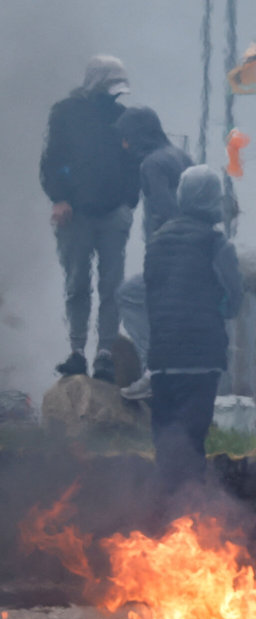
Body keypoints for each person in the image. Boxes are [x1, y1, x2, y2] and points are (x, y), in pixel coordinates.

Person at [40, 55, 140, 382]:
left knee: (111, 287)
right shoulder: (65, 113)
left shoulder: (123, 118)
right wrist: (60, 197)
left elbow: (131, 164)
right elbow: (52, 160)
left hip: (113, 214)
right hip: (76, 213)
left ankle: (106, 354)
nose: (114, 95)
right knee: (77, 283)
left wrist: (128, 203)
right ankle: (77, 351)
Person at [145, 165, 242, 492]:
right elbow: (234, 299)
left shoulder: (156, 240)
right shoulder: (216, 243)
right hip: (201, 359)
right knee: (191, 442)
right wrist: (218, 313)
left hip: (161, 359)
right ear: (213, 199)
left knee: (165, 442)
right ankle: (190, 514)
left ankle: (158, 515)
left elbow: (150, 293)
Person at [114, 106, 194, 400]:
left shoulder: (151, 164)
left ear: (139, 135)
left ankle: (157, 372)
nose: (124, 145)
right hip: (195, 252)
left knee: (130, 295)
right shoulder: (181, 156)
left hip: (170, 255)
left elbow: (165, 210)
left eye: (127, 138)